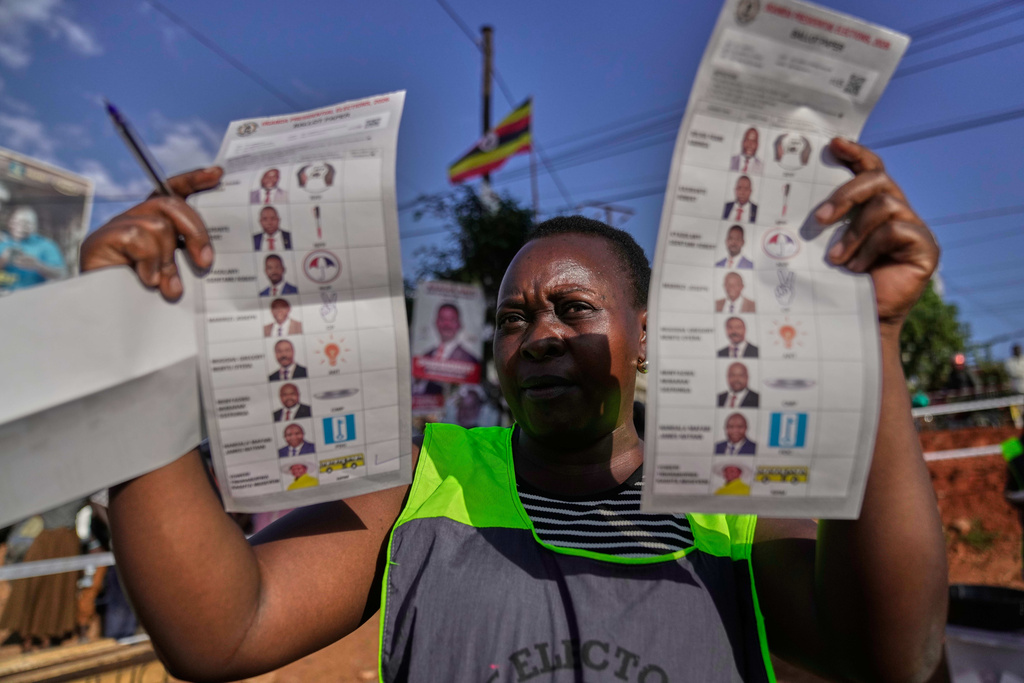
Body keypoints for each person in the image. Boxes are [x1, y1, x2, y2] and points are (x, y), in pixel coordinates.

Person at [80, 138, 947, 682]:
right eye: (514, 317)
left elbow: (891, 658)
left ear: (643, 337)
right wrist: (127, 347)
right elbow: (220, 631)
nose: (538, 335)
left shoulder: (735, 496)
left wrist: (869, 336)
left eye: (574, 309)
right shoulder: (427, 474)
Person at [0, 499, 87, 651]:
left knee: (50, 591)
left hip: (55, 541)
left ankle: (41, 637)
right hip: (54, 541)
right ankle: (32, 637)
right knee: (36, 590)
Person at [0, 206, 66, 292]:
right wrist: (3, 261)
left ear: (35, 226)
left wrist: (38, 265)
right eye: (17, 222)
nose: (21, 226)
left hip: (35, 297)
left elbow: (62, 274)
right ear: (10, 223)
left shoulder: (46, 245)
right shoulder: (3, 243)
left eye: (26, 223)